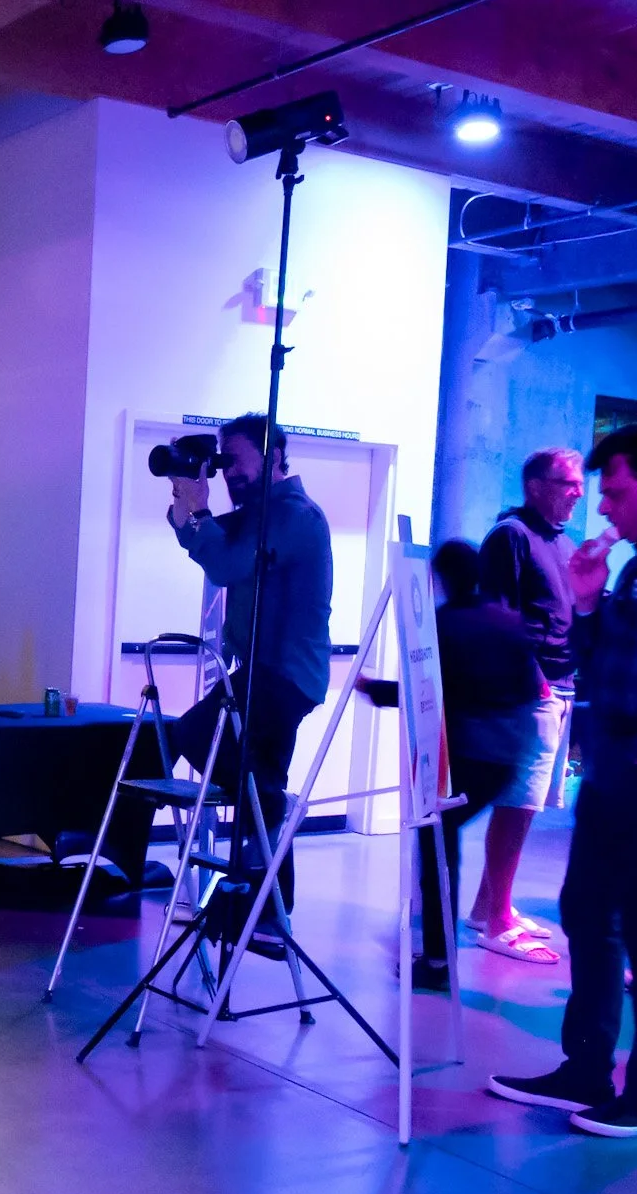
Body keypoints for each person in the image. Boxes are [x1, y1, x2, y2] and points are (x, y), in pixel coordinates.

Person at [489, 423, 637, 1137]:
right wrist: (590, 602)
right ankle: (587, 1065)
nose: (603, 509)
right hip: (611, 780)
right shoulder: (635, 567)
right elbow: (602, 667)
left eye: (618, 493)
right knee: (588, 912)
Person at [166, 414, 334, 947]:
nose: (229, 474)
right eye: (224, 463)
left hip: (283, 673)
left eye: (236, 461)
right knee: (251, 780)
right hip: (263, 672)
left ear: (274, 455)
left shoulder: (295, 516)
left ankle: (265, 900)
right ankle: (258, 903)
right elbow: (205, 545)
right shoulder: (260, 512)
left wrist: (199, 514)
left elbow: (229, 565)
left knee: (202, 744)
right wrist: (186, 504)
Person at [358, 541, 544, 992]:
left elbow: (424, 691)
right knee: (444, 841)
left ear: (439, 578)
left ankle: (440, 961)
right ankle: (441, 954)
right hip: (505, 757)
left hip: (464, 758)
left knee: (437, 845)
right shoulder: (509, 621)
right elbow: (529, 691)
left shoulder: (444, 626)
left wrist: (371, 689)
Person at [468, 448, 586, 963]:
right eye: (568, 483)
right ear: (536, 484)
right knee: (518, 806)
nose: (578, 493)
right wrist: (535, 681)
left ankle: (488, 907)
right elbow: (498, 614)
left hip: (559, 687)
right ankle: (496, 924)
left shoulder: (560, 542)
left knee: (528, 805)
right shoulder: (511, 536)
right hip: (531, 691)